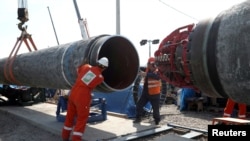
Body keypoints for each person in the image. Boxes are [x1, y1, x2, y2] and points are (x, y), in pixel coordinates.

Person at [61, 57, 109, 141]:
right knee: (82, 118)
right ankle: (76, 139)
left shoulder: (86, 66)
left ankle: (65, 136)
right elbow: (94, 80)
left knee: (70, 116)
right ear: (105, 68)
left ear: (97, 62)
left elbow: (79, 69)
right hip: (83, 96)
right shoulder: (100, 77)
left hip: (74, 92)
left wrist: (84, 64)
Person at [133, 57, 161, 125]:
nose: (148, 65)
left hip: (154, 94)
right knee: (139, 105)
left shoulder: (157, 70)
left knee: (156, 110)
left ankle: (157, 121)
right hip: (146, 93)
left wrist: (146, 74)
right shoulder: (147, 70)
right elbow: (142, 70)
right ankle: (138, 118)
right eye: (148, 63)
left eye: (149, 63)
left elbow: (157, 76)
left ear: (153, 64)